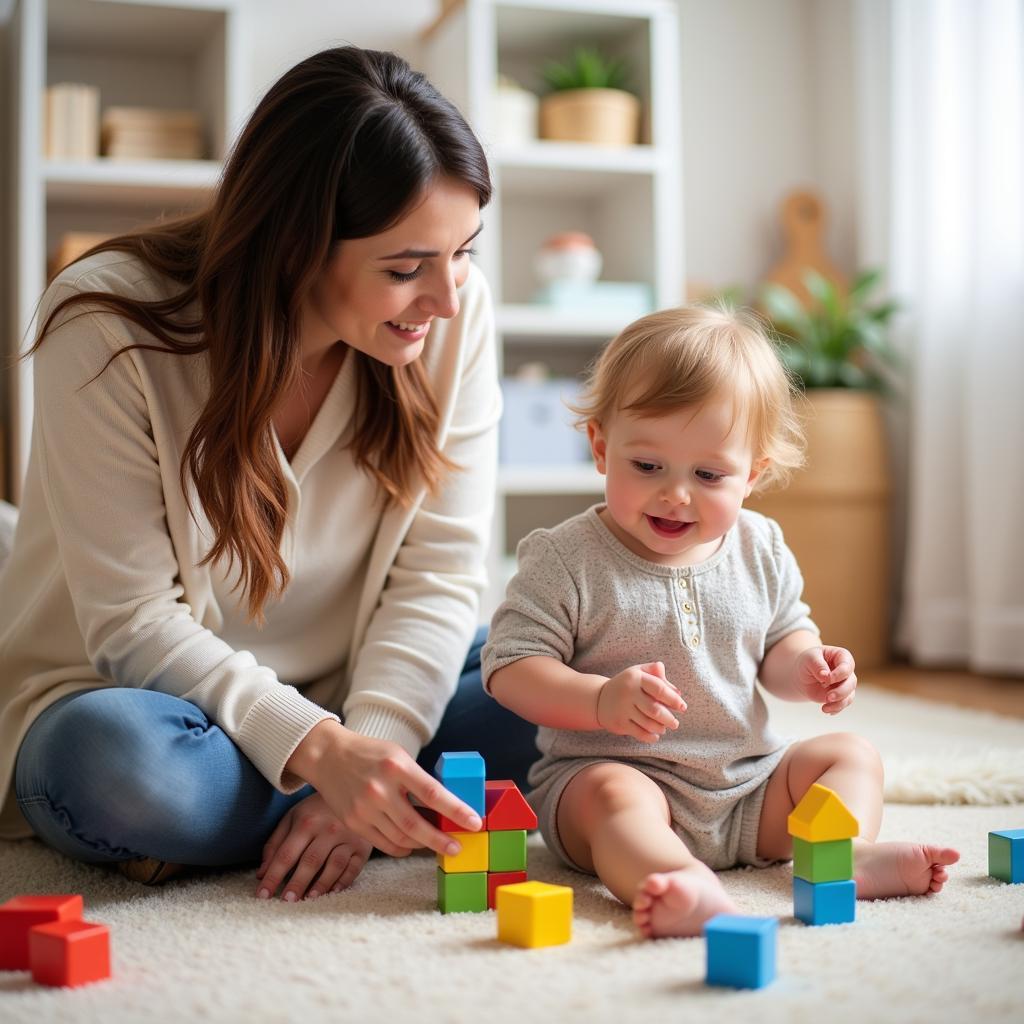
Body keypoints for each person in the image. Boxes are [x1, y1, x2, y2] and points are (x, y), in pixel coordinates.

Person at [0, 46, 538, 900]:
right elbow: (134, 623)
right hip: (148, 708)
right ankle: (375, 807)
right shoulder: (105, 324)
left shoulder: (452, 315)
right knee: (117, 768)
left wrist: (371, 745)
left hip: (353, 691)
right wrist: (323, 758)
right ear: (295, 246)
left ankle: (319, 813)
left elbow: (437, 575)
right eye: (405, 268)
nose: (447, 296)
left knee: (558, 686)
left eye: (463, 251)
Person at [482, 305, 959, 938]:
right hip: (617, 779)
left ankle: (842, 857)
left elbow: (783, 643)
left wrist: (809, 667)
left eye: (708, 475)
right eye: (647, 467)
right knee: (612, 798)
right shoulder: (566, 557)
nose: (675, 494)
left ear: (752, 475)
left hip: (748, 789)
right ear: (600, 447)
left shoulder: (760, 546)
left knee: (850, 753)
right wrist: (599, 700)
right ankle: (680, 880)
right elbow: (510, 668)